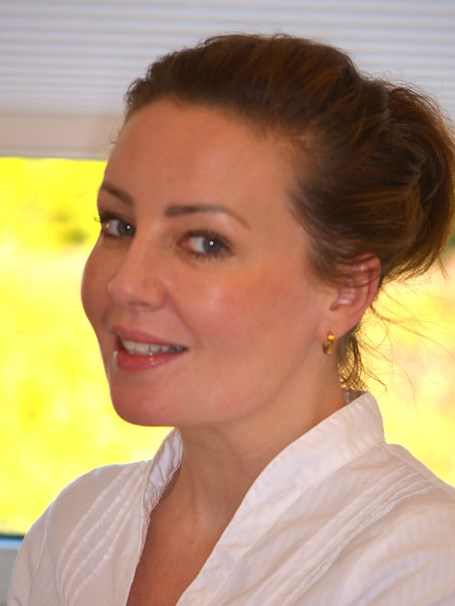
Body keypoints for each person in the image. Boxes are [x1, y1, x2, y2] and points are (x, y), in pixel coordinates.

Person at [8, 33, 455, 606]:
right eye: (119, 225)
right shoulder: (75, 529)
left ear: (345, 290)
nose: (126, 284)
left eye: (205, 242)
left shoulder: (422, 569)